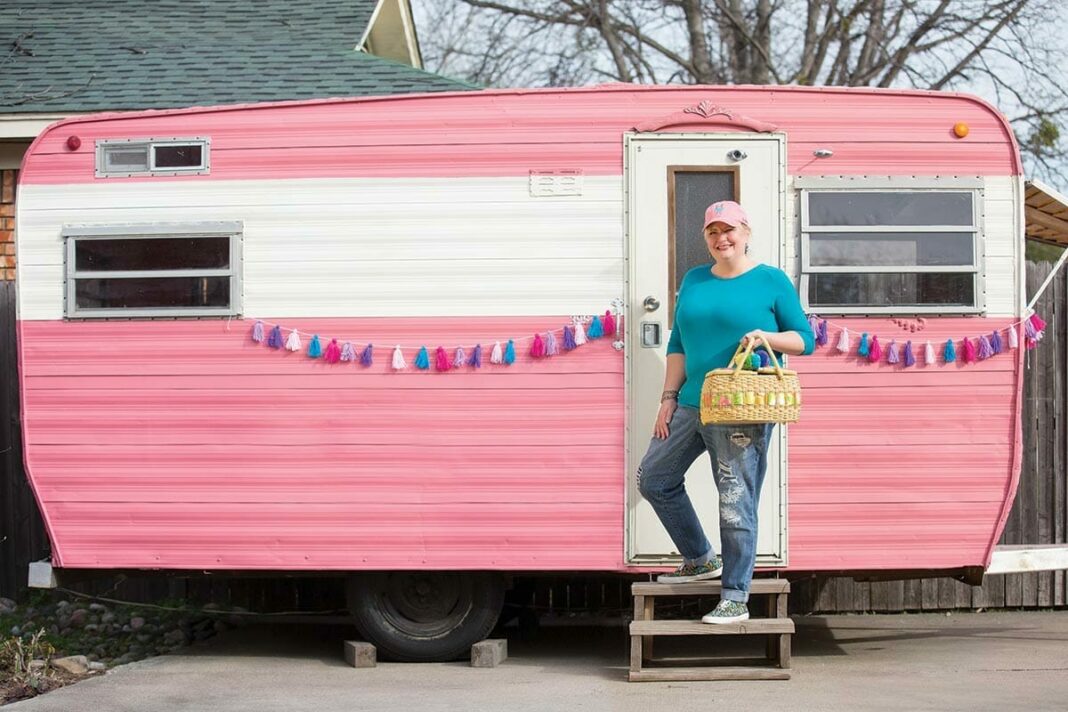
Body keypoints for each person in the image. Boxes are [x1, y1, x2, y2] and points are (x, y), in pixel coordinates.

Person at [636, 199, 814, 624]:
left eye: (729, 230)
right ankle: (700, 558)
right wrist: (667, 398)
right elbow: (678, 343)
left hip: (740, 408)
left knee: (735, 500)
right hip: (692, 402)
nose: (722, 238)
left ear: (746, 232)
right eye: (713, 232)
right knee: (654, 479)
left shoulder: (770, 280)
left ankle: (735, 595)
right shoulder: (694, 279)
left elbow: (804, 339)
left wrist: (766, 335)